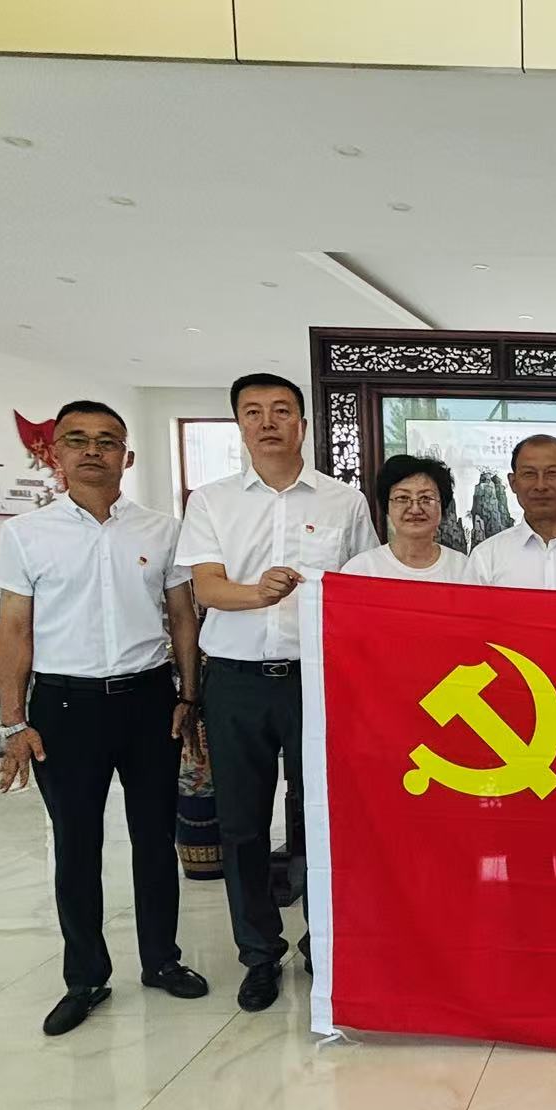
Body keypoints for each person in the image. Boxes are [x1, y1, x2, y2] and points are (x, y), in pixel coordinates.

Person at [0, 400, 209, 1036]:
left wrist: (189, 697)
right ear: (55, 453)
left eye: (107, 441)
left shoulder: (162, 530)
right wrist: (13, 722)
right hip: (64, 708)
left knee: (154, 840)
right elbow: (14, 628)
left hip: (149, 702)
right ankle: (85, 977)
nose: (93, 451)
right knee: (76, 844)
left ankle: (161, 960)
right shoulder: (27, 534)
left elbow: (182, 617)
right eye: (78, 440)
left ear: (127, 457)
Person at [178, 372, 375, 1012]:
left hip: (318, 680)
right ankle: (258, 953)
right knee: (241, 825)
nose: (268, 422)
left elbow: (363, 587)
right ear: (239, 424)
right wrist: (256, 593)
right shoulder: (211, 501)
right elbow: (206, 587)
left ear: (302, 425)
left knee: (321, 817)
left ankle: (324, 944)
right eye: (253, 411)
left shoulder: (344, 502)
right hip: (236, 682)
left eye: (282, 410)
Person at [469, 434, 556, 591]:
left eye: (551, 473)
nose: (540, 486)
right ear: (513, 483)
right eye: (529, 474)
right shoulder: (486, 558)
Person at [342, 454, 472, 582]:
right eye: (402, 498)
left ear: (442, 505)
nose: (415, 509)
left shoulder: (465, 570)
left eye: (426, 498)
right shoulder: (361, 571)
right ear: (387, 506)